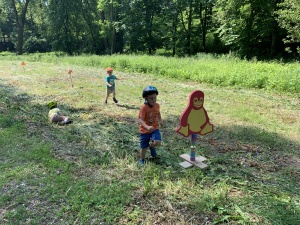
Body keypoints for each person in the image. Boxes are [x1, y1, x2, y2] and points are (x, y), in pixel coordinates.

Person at [138, 86, 163, 166]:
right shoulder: (144, 108)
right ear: (146, 98)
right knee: (144, 147)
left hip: (154, 128)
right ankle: (142, 159)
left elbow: (158, 113)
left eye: (155, 98)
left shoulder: (157, 105)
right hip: (144, 130)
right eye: (151, 98)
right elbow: (140, 120)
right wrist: (147, 127)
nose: (154, 100)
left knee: (158, 142)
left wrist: (160, 120)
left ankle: (152, 147)